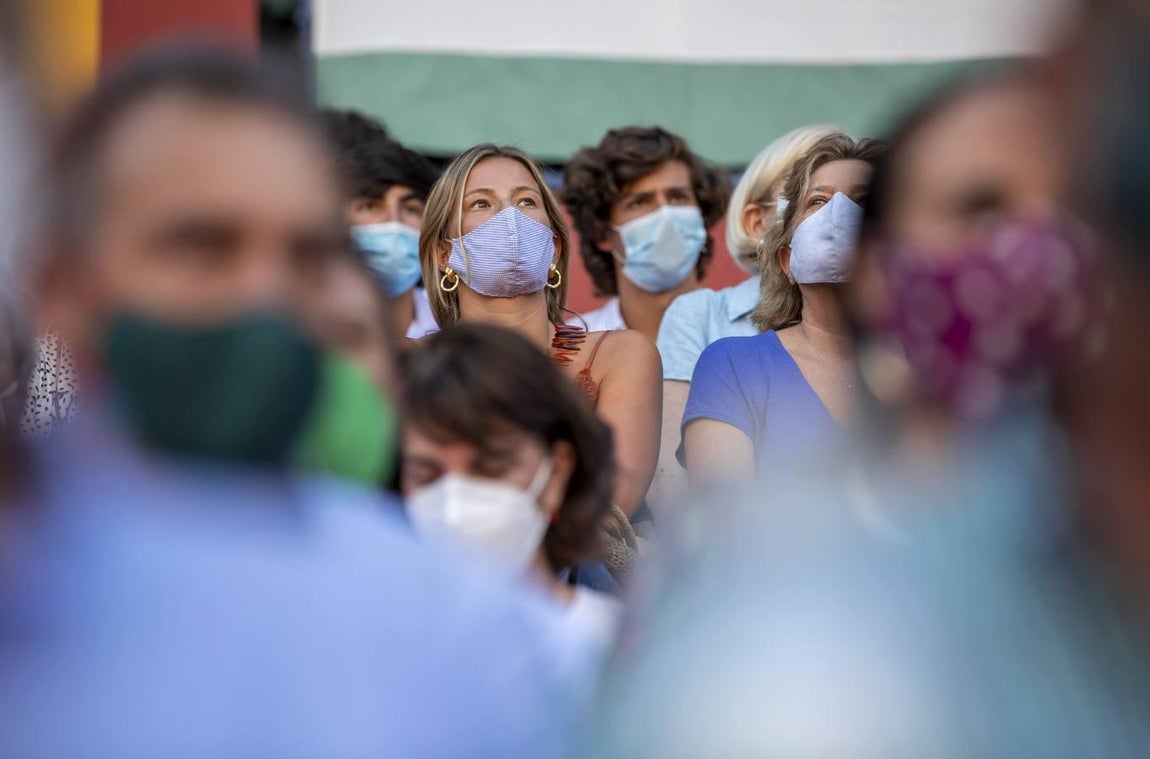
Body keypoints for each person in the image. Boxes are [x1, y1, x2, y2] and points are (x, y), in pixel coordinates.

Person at [0, 44, 591, 758]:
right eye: (204, 245)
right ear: (63, 290)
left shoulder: (453, 623)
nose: (266, 296)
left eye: (306, 256)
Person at [418, 143, 661, 532]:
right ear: (443, 255)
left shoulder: (621, 355)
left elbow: (614, 499)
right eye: (481, 204)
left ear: (554, 247)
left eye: (527, 202)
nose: (509, 218)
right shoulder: (409, 364)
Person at [650, 124, 841, 512]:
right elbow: (671, 477)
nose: (841, 215)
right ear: (758, 223)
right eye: (814, 198)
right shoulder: (701, 315)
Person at [681, 134, 886, 488]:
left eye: (863, 200)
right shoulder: (734, 365)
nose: (838, 212)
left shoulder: (940, 370)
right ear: (787, 260)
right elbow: (723, 520)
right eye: (817, 200)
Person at [399, 323, 623, 644]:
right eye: (427, 476)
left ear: (558, 472)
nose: (456, 495)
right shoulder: (369, 652)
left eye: (491, 467)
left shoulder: (621, 656)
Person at [562, 126, 730, 342]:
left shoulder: (749, 336)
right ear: (602, 231)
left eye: (678, 197)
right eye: (639, 202)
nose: (666, 214)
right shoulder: (572, 349)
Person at [321, 108, 440, 339]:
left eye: (411, 209)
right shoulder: (301, 327)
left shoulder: (455, 327)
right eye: (370, 207)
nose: (393, 224)